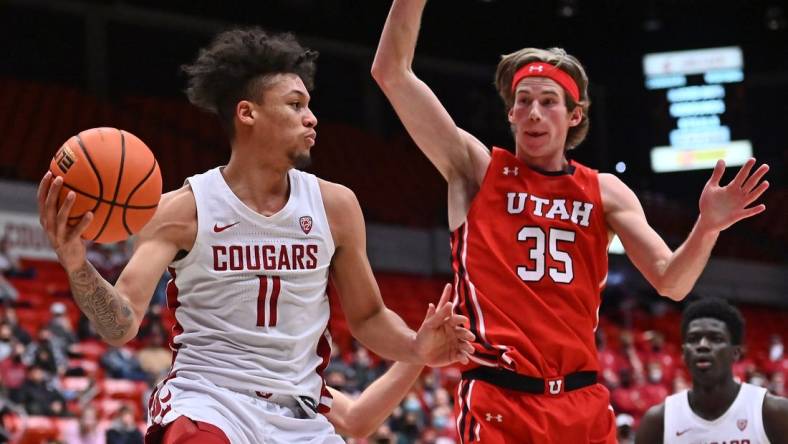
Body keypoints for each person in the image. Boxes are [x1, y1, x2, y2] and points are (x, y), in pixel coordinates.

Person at [37, 27, 473, 443]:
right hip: (208, 402)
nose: (312, 118)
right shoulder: (182, 210)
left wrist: (416, 347)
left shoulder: (336, 207)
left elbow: (369, 318)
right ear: (247, 113)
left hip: (300, 412)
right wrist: (78, 265)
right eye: (296, 104)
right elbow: (122, 325)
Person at [371, 1, 770, 442]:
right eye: (523, 102)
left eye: (548, 102)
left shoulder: (605, 192)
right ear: (510, 114)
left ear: (575, 115)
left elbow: (671, 281)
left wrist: (707, 225)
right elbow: (391, 72)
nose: (534, 113)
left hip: (582, 403)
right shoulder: (476, 170)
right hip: (499, 398)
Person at [635, 297, 788, 443]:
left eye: (716, 339)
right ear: (684, 353)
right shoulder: (658, 421)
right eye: (693, 339)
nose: (702, 345)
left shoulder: (771, 412)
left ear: (736, 352)